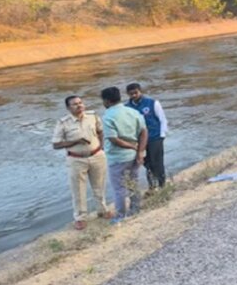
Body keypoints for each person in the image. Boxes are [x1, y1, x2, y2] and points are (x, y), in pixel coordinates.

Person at [52, 96, 112, 230]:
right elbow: (55, 145)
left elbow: (100, 132)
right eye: (74, 104)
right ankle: (80, 217)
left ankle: (102, 210)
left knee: (100, 185)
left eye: (80, 103)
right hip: (76, 159)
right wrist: (75, 141)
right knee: (78, 189)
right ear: (68, 108)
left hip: (97, 155)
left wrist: (101, 147)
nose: (79, 106)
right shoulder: (63, 123)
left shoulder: (92, 116)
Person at [101, 86, 148, 223]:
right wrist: (139, 151)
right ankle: (136, 209)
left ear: (106, 101)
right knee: (133, 183)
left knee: (119, 188)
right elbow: (144, 132)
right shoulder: (132, 112)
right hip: (134, 156)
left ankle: (121, 216)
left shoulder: (108, 116)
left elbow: (113, 139)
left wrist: (131, 146)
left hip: (118, 157)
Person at [126, 83, 169, 192]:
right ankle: (152, 186)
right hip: (139, 141)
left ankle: (162, 185)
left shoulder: (152, 103)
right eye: (131, 94)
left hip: (155, 137)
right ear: (128, 94)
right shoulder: (127, 108)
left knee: (157, 162)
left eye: (136, 93)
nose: (134, 95)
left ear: (140, 91)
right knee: (147, 163)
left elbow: (162, 119)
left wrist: (162, 135)